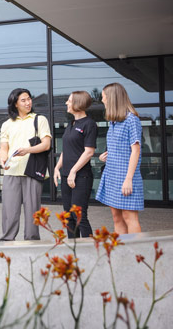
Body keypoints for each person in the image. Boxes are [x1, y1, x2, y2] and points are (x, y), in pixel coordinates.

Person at [0, 88, 52, 241]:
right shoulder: (7, 124)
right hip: (11, 172)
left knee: (32, 211)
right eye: (23, 100)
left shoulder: (39, 120)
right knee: (9, 211)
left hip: (32, 172)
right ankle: (7, 241)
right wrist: (3, 160)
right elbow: (4, 148)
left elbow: (46, 145)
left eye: (29, 99)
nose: (28, 102)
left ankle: (32, 241)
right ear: (15, 103)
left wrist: (27, 150)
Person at [96, 82, 143, 234]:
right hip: (112, 175)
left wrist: (128, 179)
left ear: (112, 98)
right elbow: (120, 147)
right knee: (116, 217)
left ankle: (136, 253)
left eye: (103, 97)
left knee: (129, 217)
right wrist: (107, 156)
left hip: (126, 176)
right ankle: (120, 253)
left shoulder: (132, 120)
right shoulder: (113, 122)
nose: (102, 100)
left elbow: (136, 151)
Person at [53, 91, 97, 238]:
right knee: (68, 216)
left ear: (78, 103)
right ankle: (74, 248)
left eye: (69, 101)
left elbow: (89, 152)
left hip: (81, 177)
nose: (66, 103)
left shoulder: (89, 124)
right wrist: (57, 167)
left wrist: (73, 171)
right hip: (66, 176)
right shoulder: (71, 124)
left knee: (79, 216)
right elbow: (66, 150)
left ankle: (91, 249)